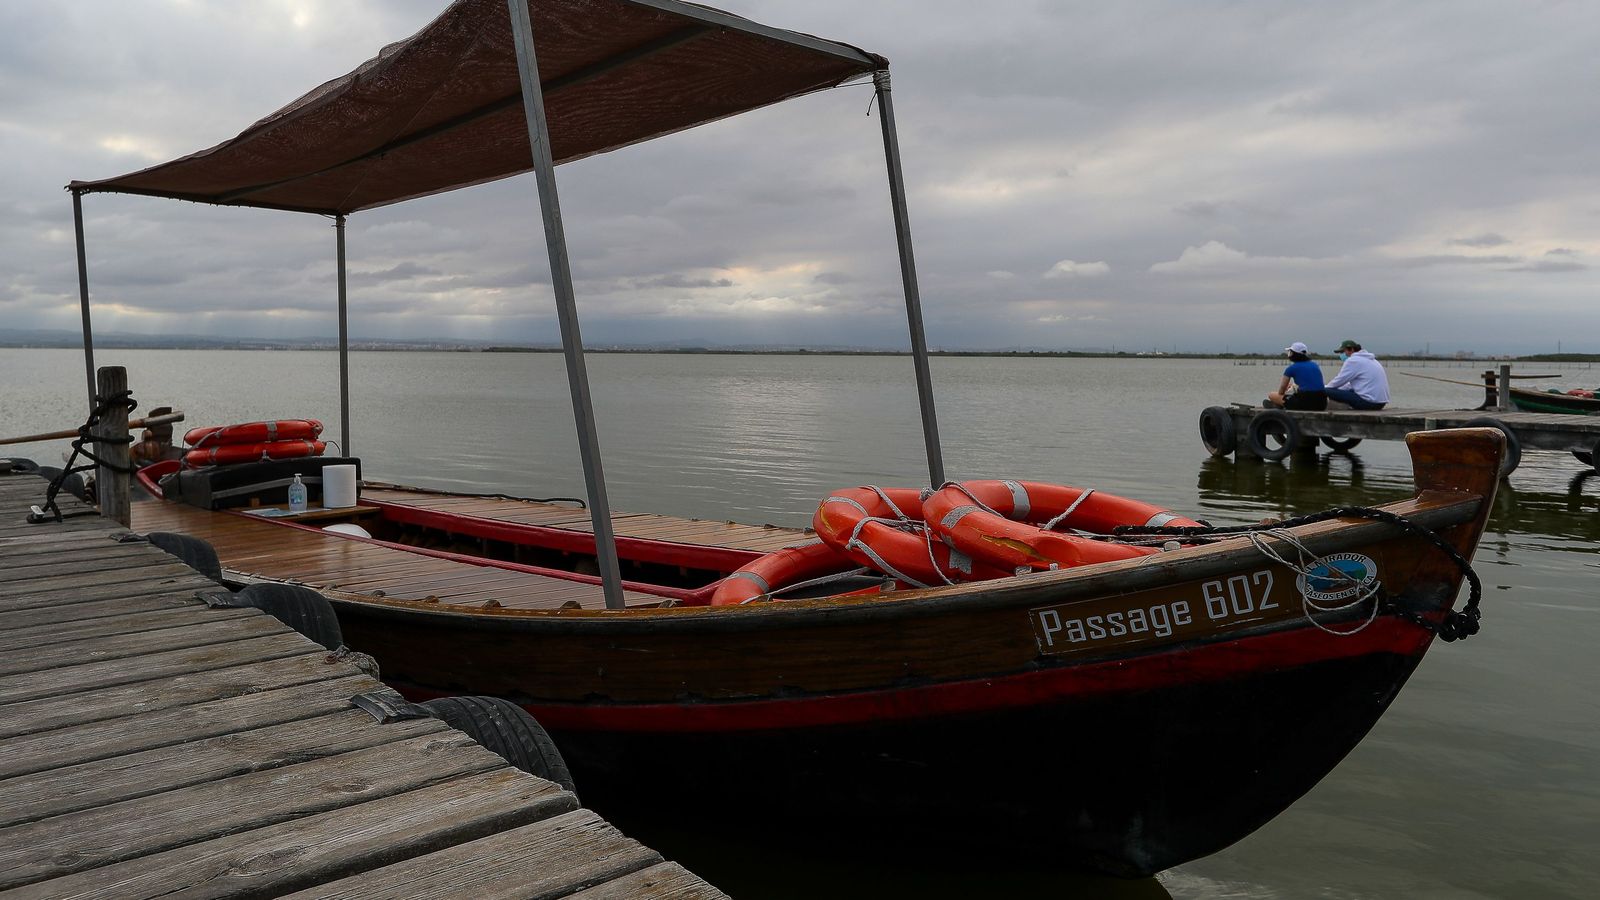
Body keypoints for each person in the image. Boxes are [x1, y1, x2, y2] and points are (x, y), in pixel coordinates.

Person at [1324, 339, 1389, 410]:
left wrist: (1325, 388)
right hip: (1380, 403)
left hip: (1368, 403)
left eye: (1343, 352)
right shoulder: (1372, 360)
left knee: (1323, 390)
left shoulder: (1353, 360)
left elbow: (1339, 380)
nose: (1341, 355)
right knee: (1346, 390)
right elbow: (1348, 385)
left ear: (1351, 349)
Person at [1266, 341, 1327, 410]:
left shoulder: (1291, 368)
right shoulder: (1315, 365)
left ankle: (1277, 405)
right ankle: (1280, 405)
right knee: (1293, 394)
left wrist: (1285, 393)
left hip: (1305, 403)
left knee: (1272, 395)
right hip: (1322, 404)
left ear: (1293, 354)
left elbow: (1281, 390)